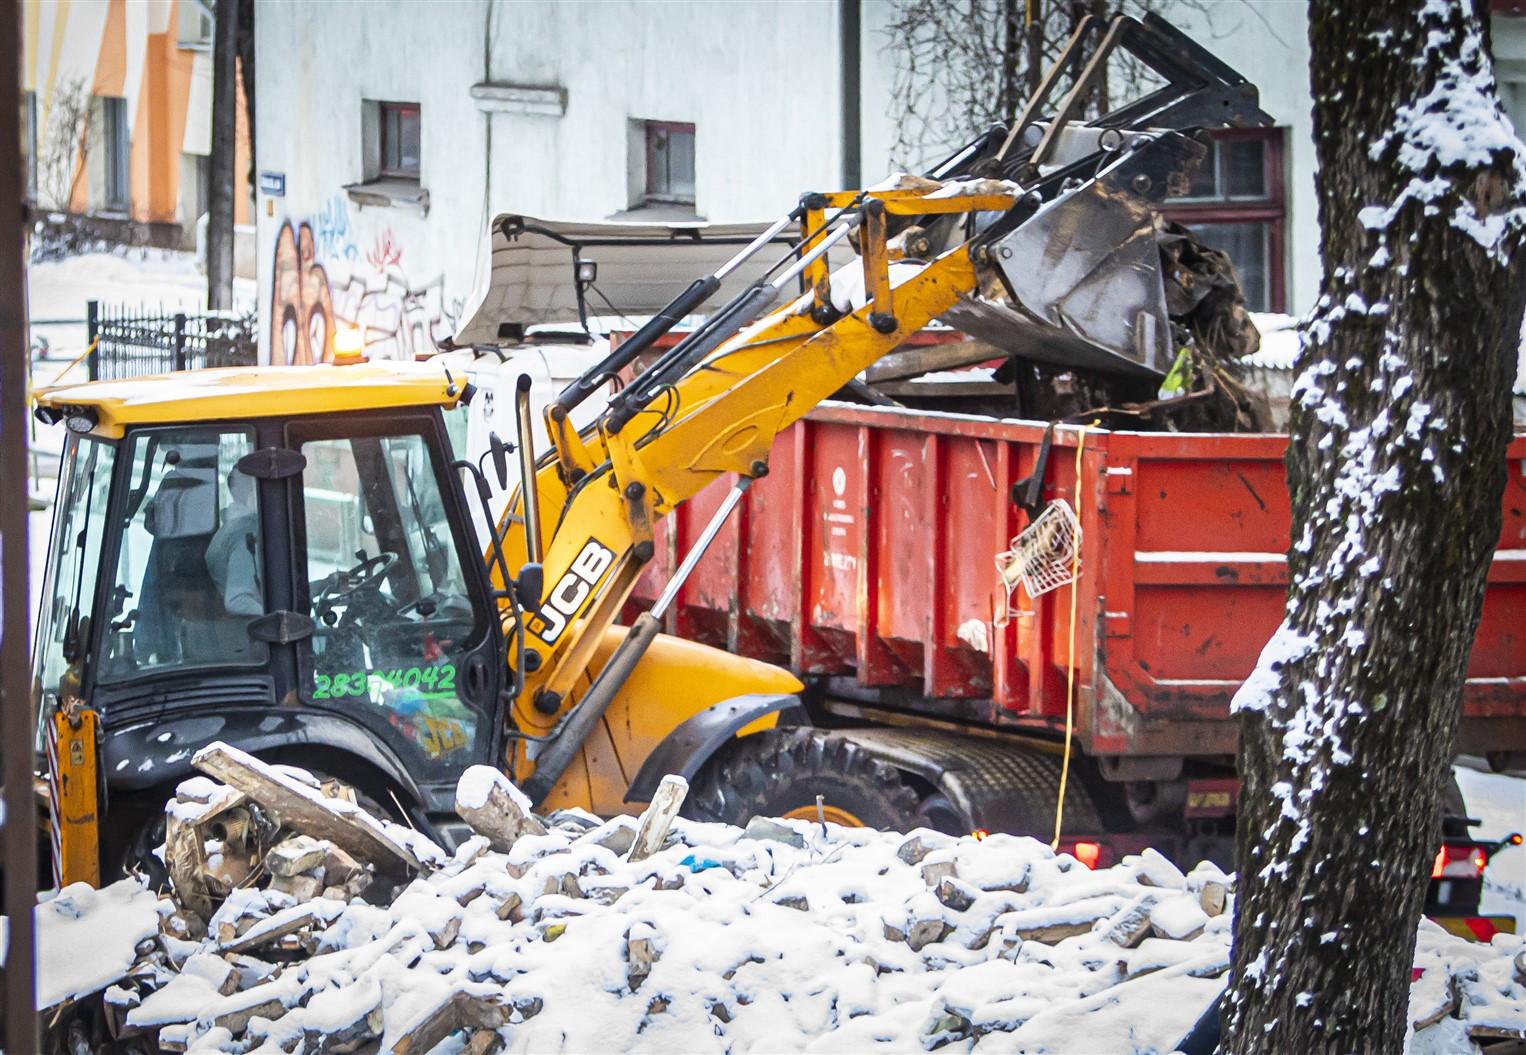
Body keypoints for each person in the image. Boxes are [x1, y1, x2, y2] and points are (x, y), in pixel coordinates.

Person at [205, 468, 262, 616]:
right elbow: (237, 600)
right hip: (246, 627)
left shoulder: (234, 527)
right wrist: (276, 616)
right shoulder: (245, 534)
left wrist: (320, 586)